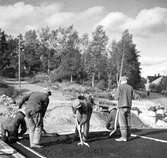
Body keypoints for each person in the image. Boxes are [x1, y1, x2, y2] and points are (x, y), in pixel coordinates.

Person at [114, 76, 133, 142]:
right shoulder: (130, 87)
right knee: (128, 123)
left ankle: (124, 137)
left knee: (122, 122)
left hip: (122, 106)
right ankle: (129, 136)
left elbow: (116, 97)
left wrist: (116, 91)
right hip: (129, 107)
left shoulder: (120, 87)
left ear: (121, 81)